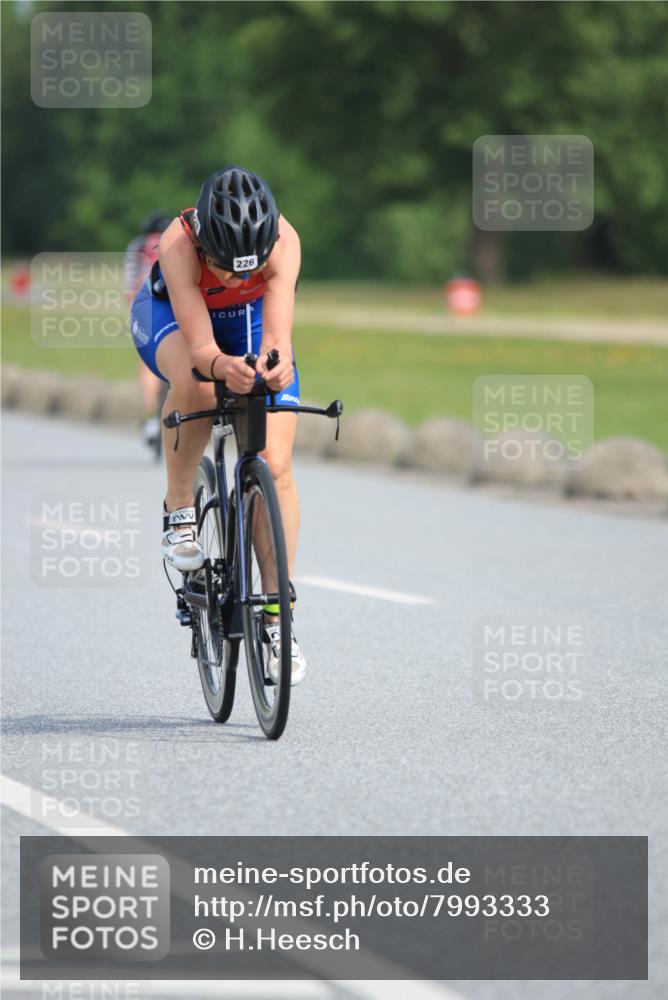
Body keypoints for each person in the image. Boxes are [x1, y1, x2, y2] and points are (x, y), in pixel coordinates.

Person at [129, 166, 305, 684]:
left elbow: (278, 338)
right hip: (171, 317)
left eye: (245, 269)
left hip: (249, 318)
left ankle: (277, 618)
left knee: (275, 465)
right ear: (204, 242)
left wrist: (275, 366)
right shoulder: (177, 244)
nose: (232, 278)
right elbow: (204, 349)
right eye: (223, 267)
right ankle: (180, 508)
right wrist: (223, 365)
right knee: (199, 384)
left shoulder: (285, 242)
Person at [124, 212, 173, 447]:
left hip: (148, 306)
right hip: (178, 304)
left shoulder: (138, 246)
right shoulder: (179, 240)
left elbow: (130, 288)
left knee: (146, 364)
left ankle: (152, 416)